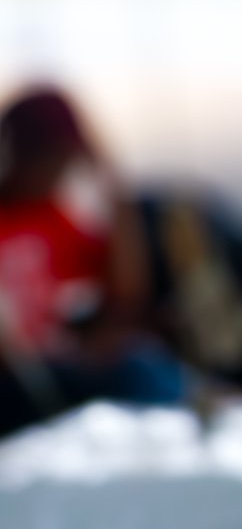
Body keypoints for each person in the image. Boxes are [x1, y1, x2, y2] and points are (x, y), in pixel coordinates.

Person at [0, 86, 177, 437]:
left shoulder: (56, 219)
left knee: (141, 360)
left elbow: (127, 294)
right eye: (51, 159)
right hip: (18, 380)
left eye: (67, 160)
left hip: (61, 373)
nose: (58, 173)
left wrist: (112, 183)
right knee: (142, 372)